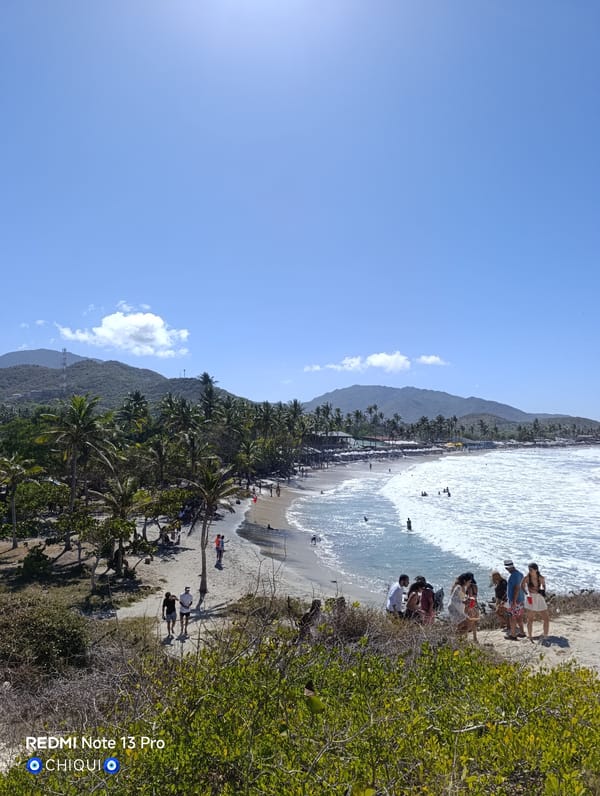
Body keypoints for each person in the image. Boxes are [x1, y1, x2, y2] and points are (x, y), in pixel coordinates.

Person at [521, 562, 550, 642]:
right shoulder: (527, 577)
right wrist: (527, 593)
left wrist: (540, 590)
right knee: (530, 619)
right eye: (529, 569)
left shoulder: (541, 578)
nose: (529, 571)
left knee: (546, 618)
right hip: (531, 598)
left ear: (536, 570)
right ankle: (530, 636)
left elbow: (544, 588)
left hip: (539, 598)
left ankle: (545, 635)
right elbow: (522, 585)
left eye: (531, 570)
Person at [448, 573, 479, 641]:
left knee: (463, 624)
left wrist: (466, 601)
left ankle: (456, 639)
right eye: (469, 581)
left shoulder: (462, 587)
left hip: (456, 607)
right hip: (455, 608)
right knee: (465, 624)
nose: (470, 583)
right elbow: (456, 600)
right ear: (465, 581)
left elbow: (461, 599)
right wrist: (466, 603)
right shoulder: (459, 587)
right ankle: (455, 639)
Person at [504, 559, 526, 640]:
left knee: (512, 617)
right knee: (519, 617)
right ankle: (522, 632)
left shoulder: (513, 576)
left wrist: (513, 601)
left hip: (515, 601)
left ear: (507, 568)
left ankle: (513, 635)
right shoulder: (520, 574)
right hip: (521, 599)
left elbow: (517, 588)